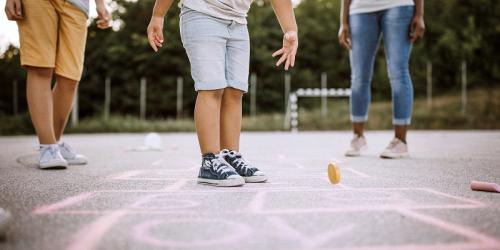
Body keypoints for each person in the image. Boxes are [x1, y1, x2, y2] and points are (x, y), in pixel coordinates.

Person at [147, 0, 298, 186]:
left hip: (238, 21)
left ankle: (229, 156)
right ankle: (209, 161)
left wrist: (290, 29)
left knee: (235, 90)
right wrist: (158, 15)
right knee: (212, 87)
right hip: (202, 14)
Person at [5, 0, 112, 169]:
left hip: (78, 4)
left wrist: (100, 4)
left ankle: (55, 143)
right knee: (40, 67)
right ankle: (48, 147)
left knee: (70, 76)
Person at [338, 0, 425, 158]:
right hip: (360, 9)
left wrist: (419, 14)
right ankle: (358, 137)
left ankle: (400, 141)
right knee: (359, 77)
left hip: (398, 5)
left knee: (398, 73)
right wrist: (343, 22)